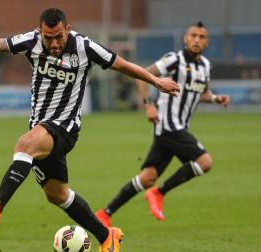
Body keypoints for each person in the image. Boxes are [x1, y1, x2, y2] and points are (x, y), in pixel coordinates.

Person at [0, 8, 179, 252]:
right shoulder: (31, 41)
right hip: (41, 129)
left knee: (24, 145)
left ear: (67, 29)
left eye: (58, 36)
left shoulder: (85, 46)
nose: (54, 43)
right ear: (40, 32)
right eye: (48, 38)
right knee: (57, 195)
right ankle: (107, 236)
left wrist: (156, 81)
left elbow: (123, 65)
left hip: (65, 129)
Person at [95, 22, 230, 227]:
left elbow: (201, 93)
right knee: (205, 162)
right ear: (185, 38)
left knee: (148, 177)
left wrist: (215, 99)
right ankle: (159, 193)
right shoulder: (173, 60)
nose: (196, 39)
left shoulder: (205, 66)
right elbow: (142, 77)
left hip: (177, 128)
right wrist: (148, 105)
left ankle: (105, 213)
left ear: (207, 42)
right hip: (168, 125)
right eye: (193, 35)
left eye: (201, 37)